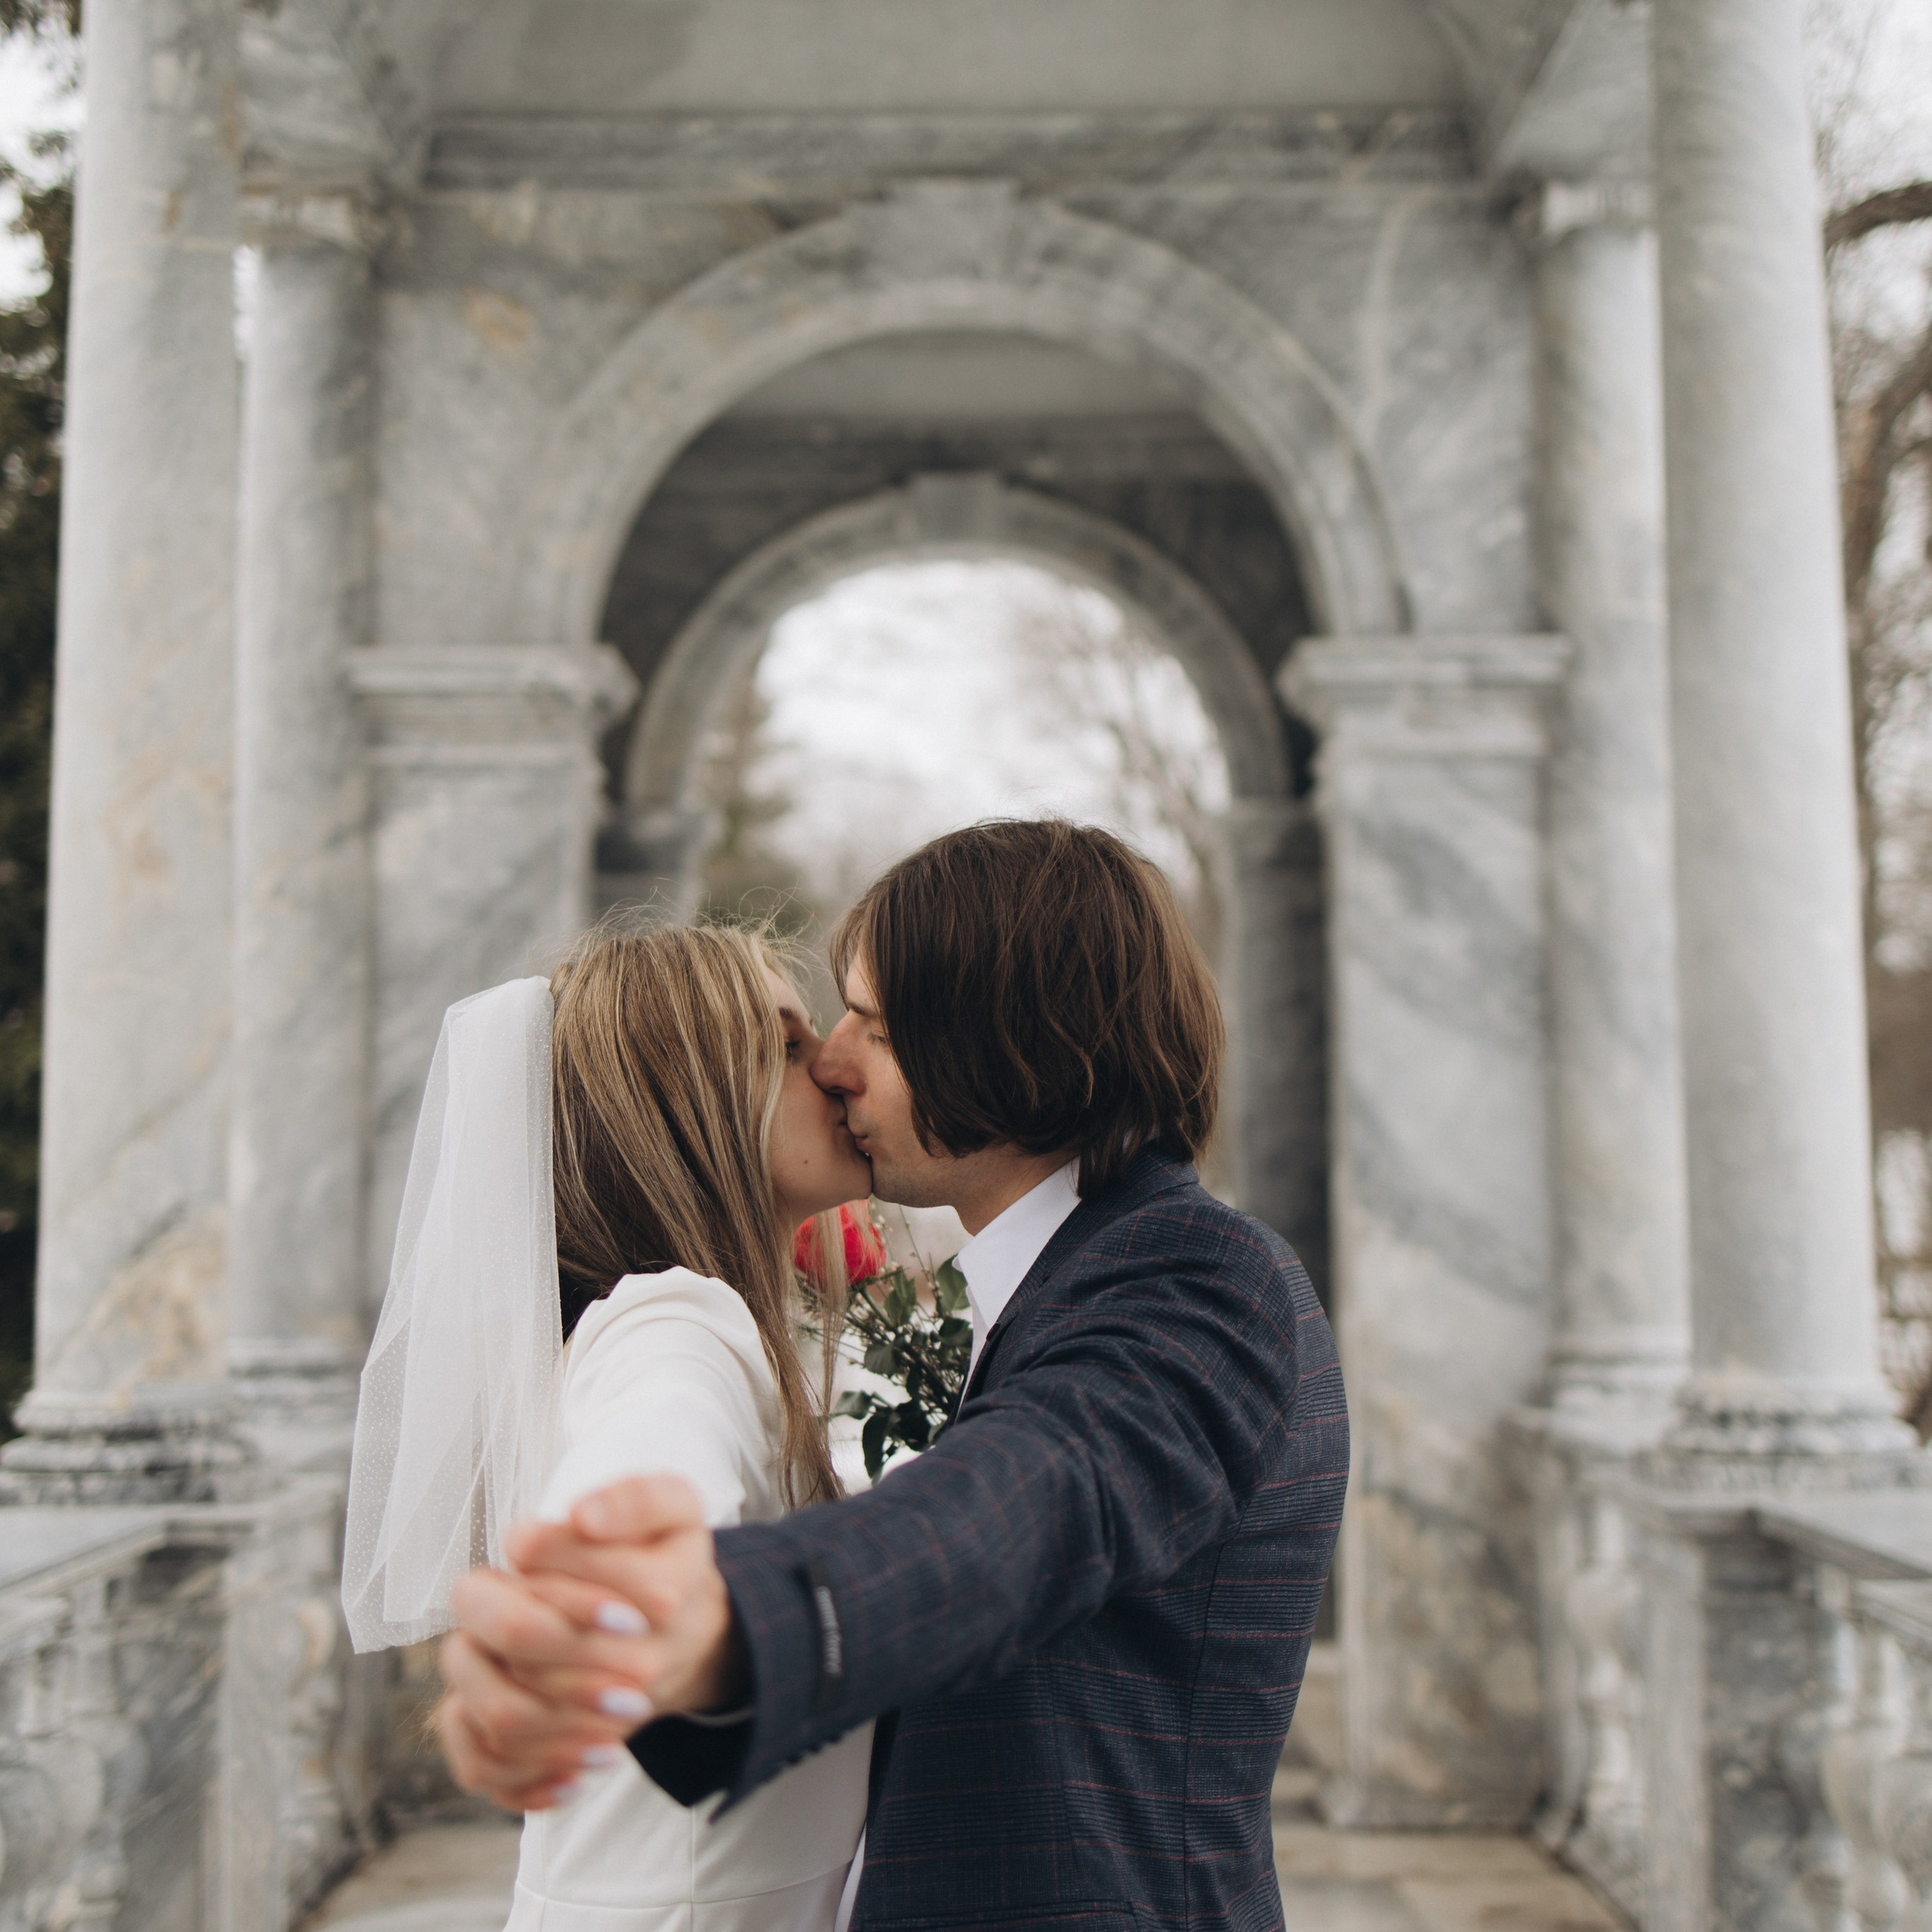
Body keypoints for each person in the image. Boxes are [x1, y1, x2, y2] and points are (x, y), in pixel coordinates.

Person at [436, 820, 1350, 1932]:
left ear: (1012, 1042)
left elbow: (1038, 1496)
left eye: (874, 1024)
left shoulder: (1198, 1274)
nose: (834, 1061)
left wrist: (727, 1617)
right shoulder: (1033, 1285)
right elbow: (666, 1437)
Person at [340, 924, 878, 1932]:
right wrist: (610, 1588)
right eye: (786, 1046)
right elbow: (653, 1449)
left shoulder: (742, 1329)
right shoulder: (673, 1324)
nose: (835, 1068)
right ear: (686, 1108)